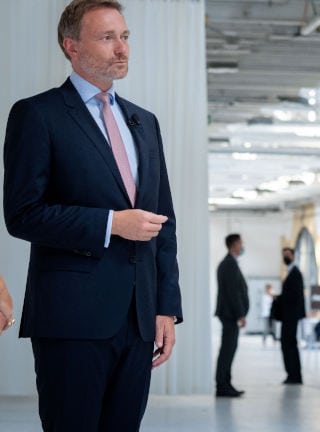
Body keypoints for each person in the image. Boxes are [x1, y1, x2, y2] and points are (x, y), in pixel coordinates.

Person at [2, 0, 183, 430]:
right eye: (107, 38)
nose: (122, 48)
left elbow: (164, 222)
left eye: (125, 37)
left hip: (138, 320)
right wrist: (111, 223)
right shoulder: (37, 115)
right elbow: (22, 214)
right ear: (72, 46)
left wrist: (165, 308)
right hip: (71, 318)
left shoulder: (144, 122)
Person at [214, 233, 250, 397]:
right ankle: (223, 386)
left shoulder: (229, 263)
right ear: (234, 245)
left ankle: (225, 384)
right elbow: (233, 293)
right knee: (227, 350)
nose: (242, 246)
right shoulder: (229, 264)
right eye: (240, 243)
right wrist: (240, 314)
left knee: (228, 349)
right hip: (230, 314)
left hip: (229, 314)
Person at [279, 247, 306, 384]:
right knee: (288, 344)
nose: (285, 257)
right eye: (284, 255)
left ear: (293, 256)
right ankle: (292, 374)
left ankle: (294, 375)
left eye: (288, 254)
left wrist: (279, 299)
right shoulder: (290, 272)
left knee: (289, 344)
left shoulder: (295, 273)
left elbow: (295, 297)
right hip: (288, 316)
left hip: (291, 317)